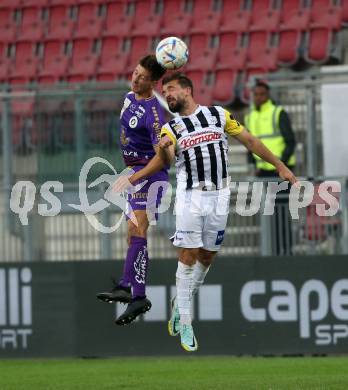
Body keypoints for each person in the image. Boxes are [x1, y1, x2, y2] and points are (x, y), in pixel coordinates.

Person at [114, 72, 297, 351]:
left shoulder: (218, 115)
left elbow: (250, 141)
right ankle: (186, 322)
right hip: (191, 197)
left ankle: (180, 304)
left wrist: (280, 165)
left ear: (187, 90)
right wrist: (163, 150)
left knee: (207, 256)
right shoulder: (171, 127)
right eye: (166, 91)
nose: (168, 94)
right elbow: (167, 157)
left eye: (172, 89)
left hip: (220, 195)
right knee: (187, 255)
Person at [96, 55, 167, 326]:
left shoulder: (153, 114)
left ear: (153, 83)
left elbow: (162, 159)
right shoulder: (129, 97)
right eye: (135, 73)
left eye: (143, 77)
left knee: (138, 230)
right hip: (133, 176)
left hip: (149, 176)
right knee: (131, 234)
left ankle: (139, 297)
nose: (136, 79)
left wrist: (136, 175)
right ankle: (128, 287)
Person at [245, 80, 296, 255]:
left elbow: (291, 142)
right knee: (268, 214)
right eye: (256, 94)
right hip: (262, 173)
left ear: (267, 96)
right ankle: (273, 251)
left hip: (279, 173)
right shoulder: (250, 116)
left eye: (262, 94)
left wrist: (281, 165)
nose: (258, 97)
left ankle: (286, 251)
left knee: (282, 213)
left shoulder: (278, 113)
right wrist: (253, 165)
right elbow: (248, 144)